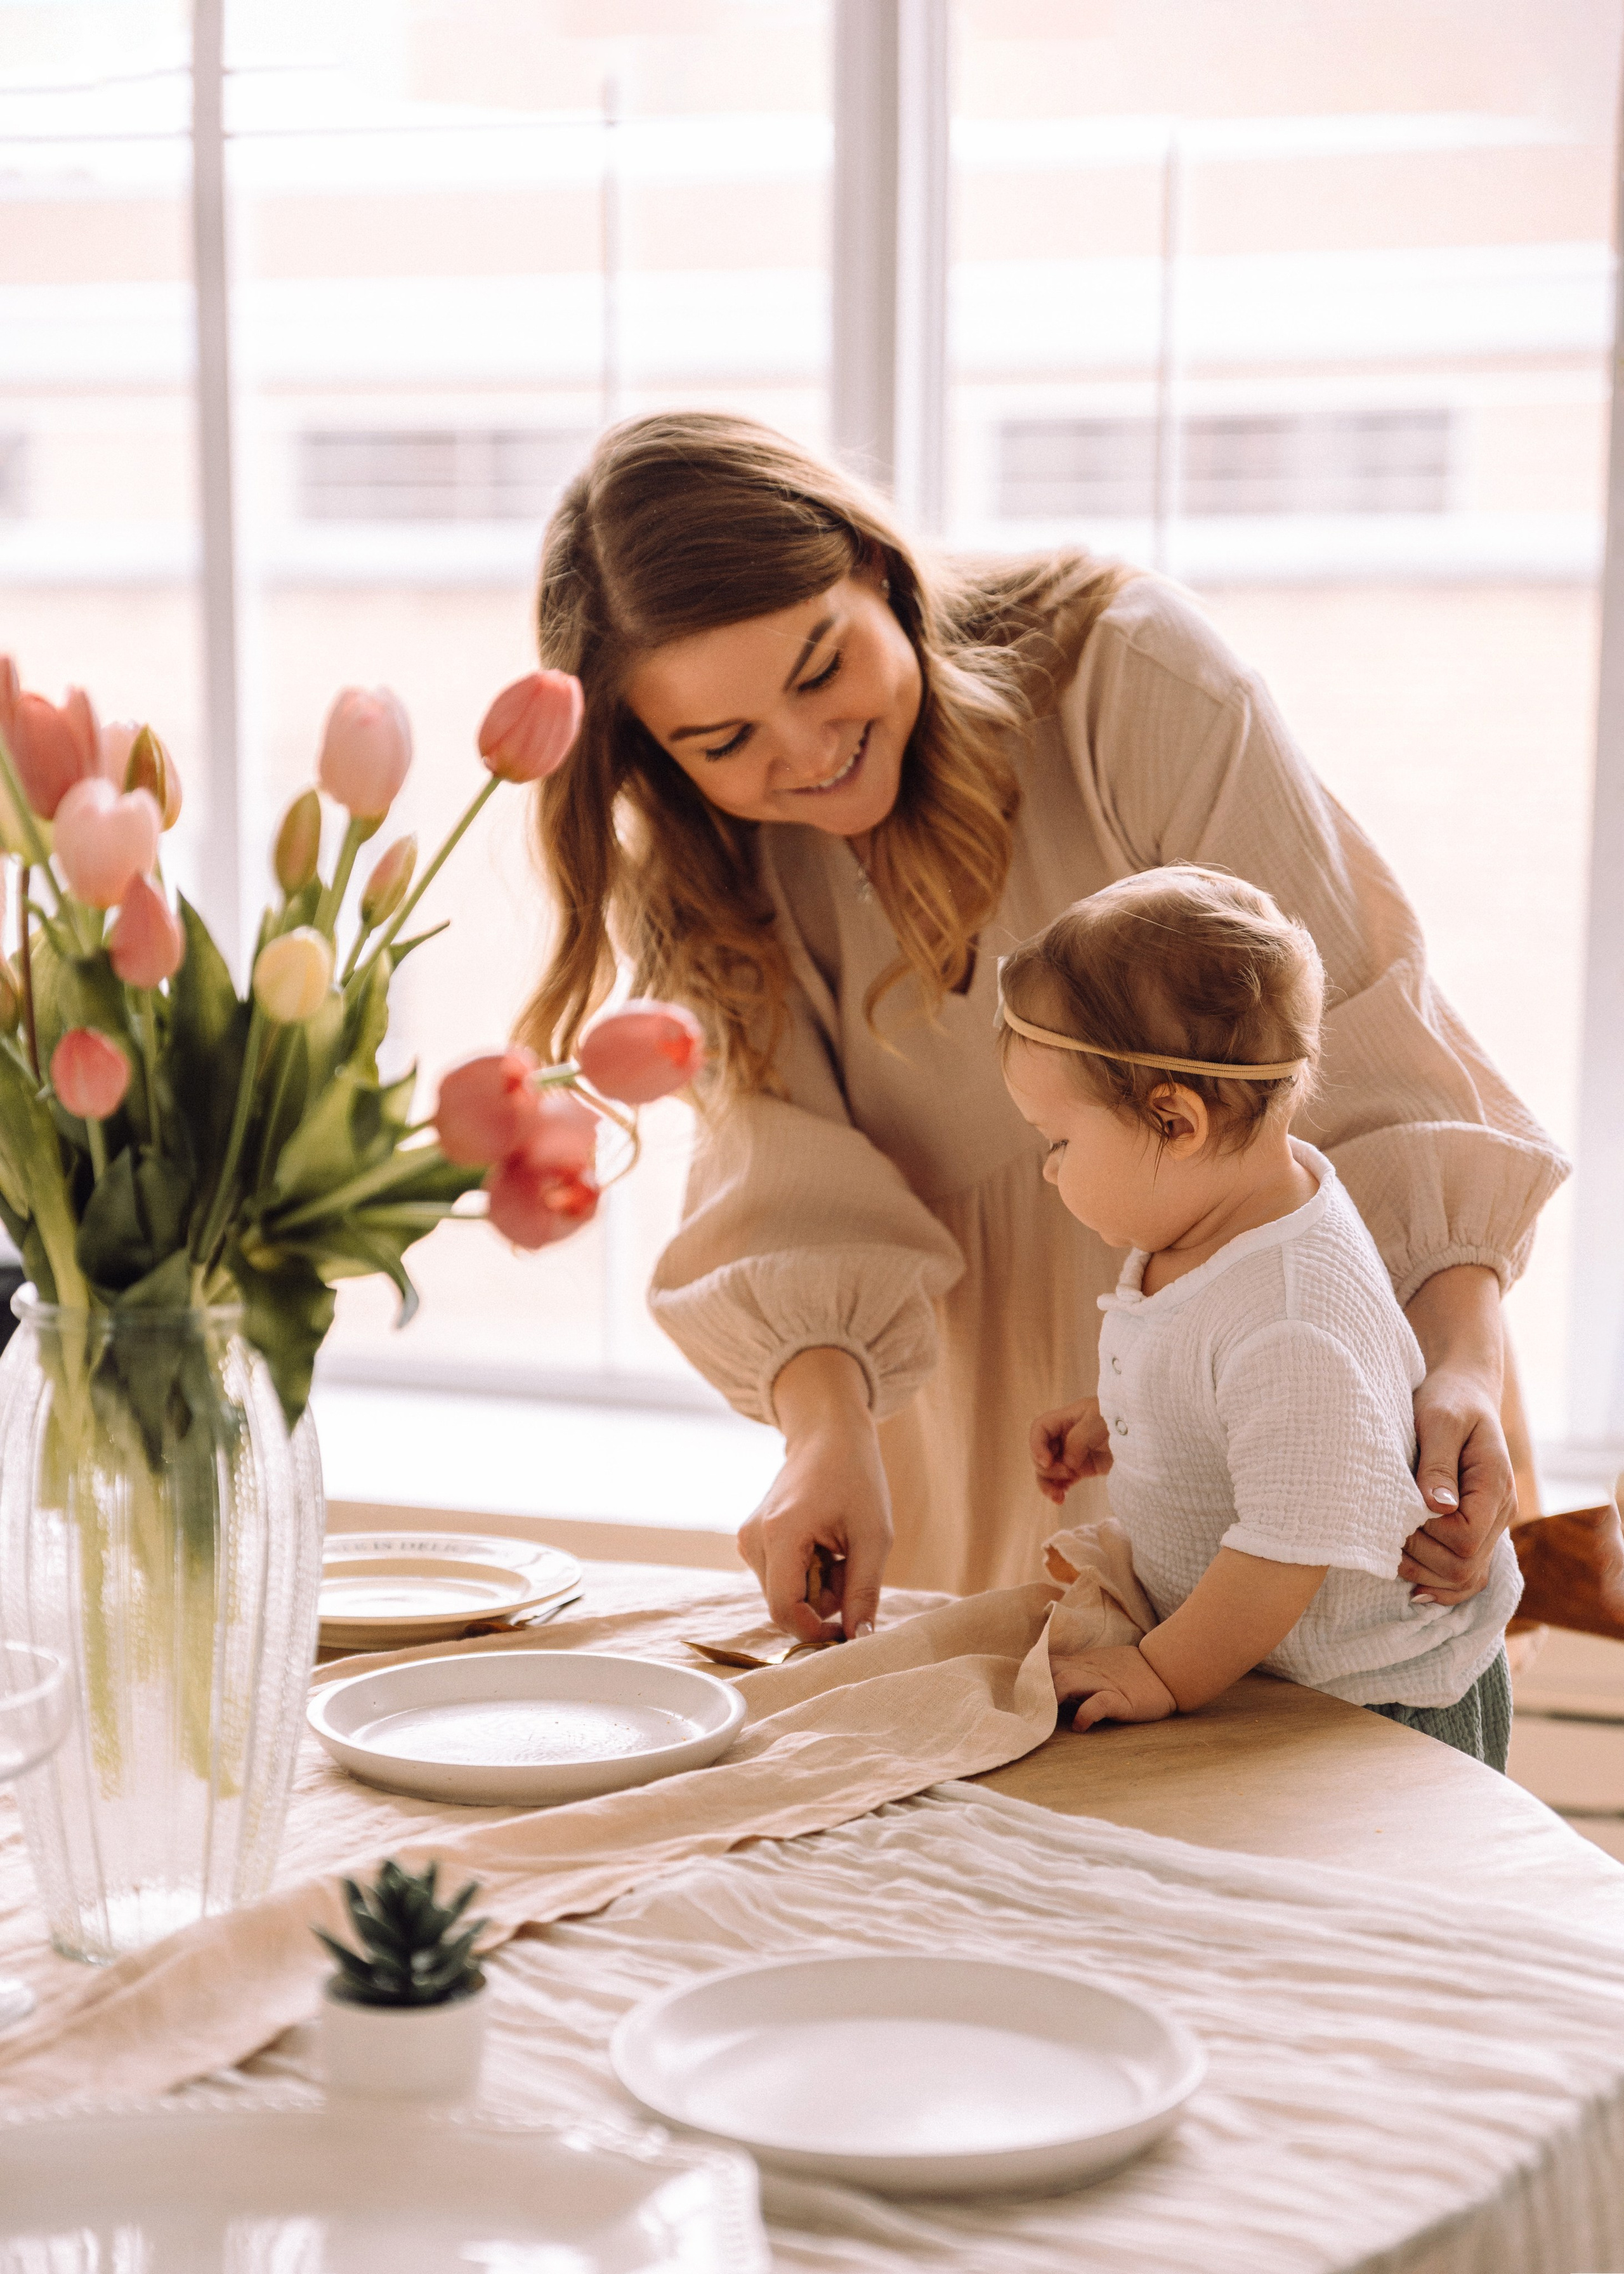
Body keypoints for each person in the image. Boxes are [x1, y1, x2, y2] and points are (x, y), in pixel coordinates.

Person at [520, 411, 1567, 1644]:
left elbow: (1366, 1053)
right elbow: (785, 1188)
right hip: (989, 1455)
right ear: (653, 755)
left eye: (820, 669)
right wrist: (823, 1435)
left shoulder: (1125, 678)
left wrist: (1458, 1358)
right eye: (724, 741)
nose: (807, 750)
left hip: (1295, 1394)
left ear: (876, 566)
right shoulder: (709, 872)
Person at [1001, 865, 1520, 1768]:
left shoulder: (1290, 1319)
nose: (1049, 1170)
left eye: (1059, 1141)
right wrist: (1130, 1416)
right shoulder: (1227, 1213)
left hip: (1372, 1710)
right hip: (1275, 1678)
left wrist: (1161, 1672)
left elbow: (1287, 1545)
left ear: (1176, 1122)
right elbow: (1236, 1388)